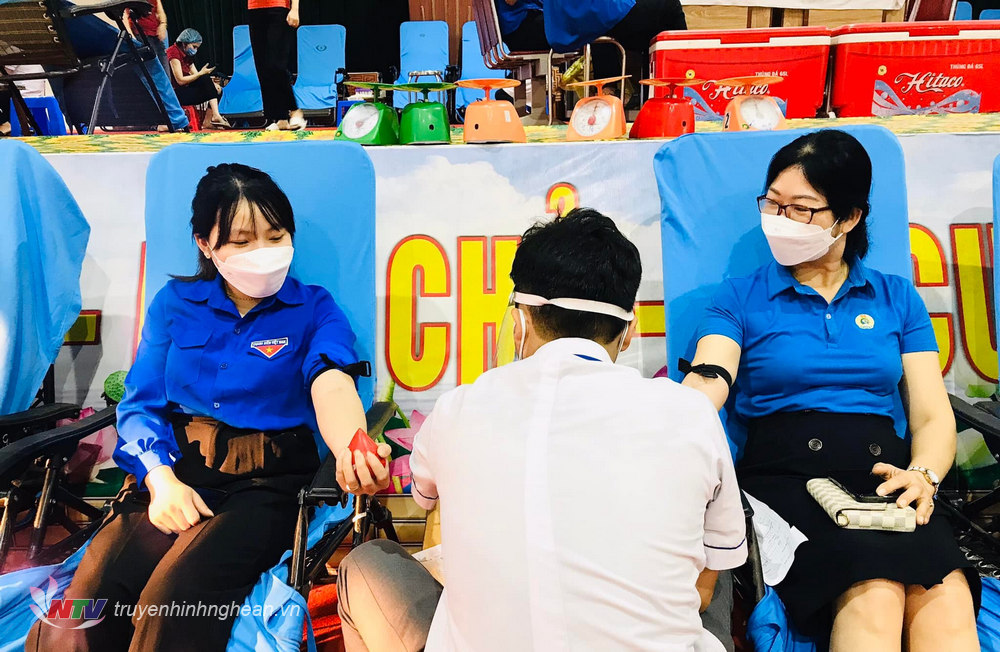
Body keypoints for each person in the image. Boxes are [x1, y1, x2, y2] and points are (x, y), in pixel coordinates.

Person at [336, 208, 747, 652]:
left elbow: (426, 497)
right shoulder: (690, 413)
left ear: (519, 322)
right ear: (629, 331)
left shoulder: (458, 409)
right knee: (716, 560)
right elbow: (704, 586)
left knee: (364, 564)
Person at [25, 163, 391, 651]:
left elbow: (331, 382)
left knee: (172, 602)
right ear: (205, 244)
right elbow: (139, 403)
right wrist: (160, 481)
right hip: (177, 470)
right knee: (85, 605)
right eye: (241, 241)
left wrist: (351, 448)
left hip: (265, 483)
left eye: (275, 236)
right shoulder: (174, 304)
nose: (263, 252)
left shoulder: (314, 309)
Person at [682, 129, 980, 650]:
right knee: (875, 594)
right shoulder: (739, 297)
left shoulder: (896, 297)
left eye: (801, 209)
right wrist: (686, 400)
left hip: (888, 481)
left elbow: (932, 416)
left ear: (849, 218)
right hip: (786, 480)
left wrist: (923, 476)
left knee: (946, 599)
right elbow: (712, 372)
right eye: (773, 203)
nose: (780, 220)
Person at [50, 0, 188, 131]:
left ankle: (76, 122)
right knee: (146, 57)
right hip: (92, 34)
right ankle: (174, 118)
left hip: (59, 48)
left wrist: (162, 23)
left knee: (56, 59)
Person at [495, 0, 686, 81]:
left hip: (571, 16)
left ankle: (619, 92)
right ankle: (683, 88)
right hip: (568, 18)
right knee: (668, 8)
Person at [248, 0, 306, 131]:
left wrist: (295, 9)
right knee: (262, 67)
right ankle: (280, 118)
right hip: (254, 9)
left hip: (278, 8)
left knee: (276, 64)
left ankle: (294, 110)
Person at [166, 29, 231, 129]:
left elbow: (197, 77)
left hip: (185, 90)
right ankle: (216, 115)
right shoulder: (173, 52)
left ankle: (208, 121)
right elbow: (180, 80)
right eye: (194, 47)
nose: (195, 50)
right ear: (184, 43)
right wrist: (201, 74)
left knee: (217, 89)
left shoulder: (187, 55)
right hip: (175, 94)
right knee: (204, 77)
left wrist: (211, 85)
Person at [125, 0, 170, 78]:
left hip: (156, 34)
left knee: (164, 66)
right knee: (153, 67)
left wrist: (163, 24)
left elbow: (160, 11)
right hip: (141, 35)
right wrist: (132, 37)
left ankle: (168, 84)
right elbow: (125, 17)